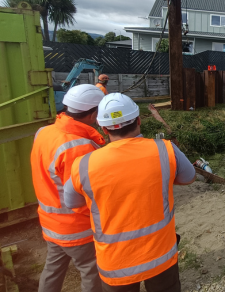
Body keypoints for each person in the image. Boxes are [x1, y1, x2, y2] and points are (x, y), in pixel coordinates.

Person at [63, 93, 196, 292]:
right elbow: (189, 177)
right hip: (160, 255)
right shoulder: (165, 150)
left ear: (103, 127)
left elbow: (72, 202)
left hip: (115, 262)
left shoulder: (83, 165)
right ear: (139, 120)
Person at [31, 84, 105, 292]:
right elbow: (84, 194)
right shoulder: (79, 146)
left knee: (53, 269)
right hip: (76, 226)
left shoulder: (43, 132)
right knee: (92, 272)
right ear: (92, 115)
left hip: (51, 222)